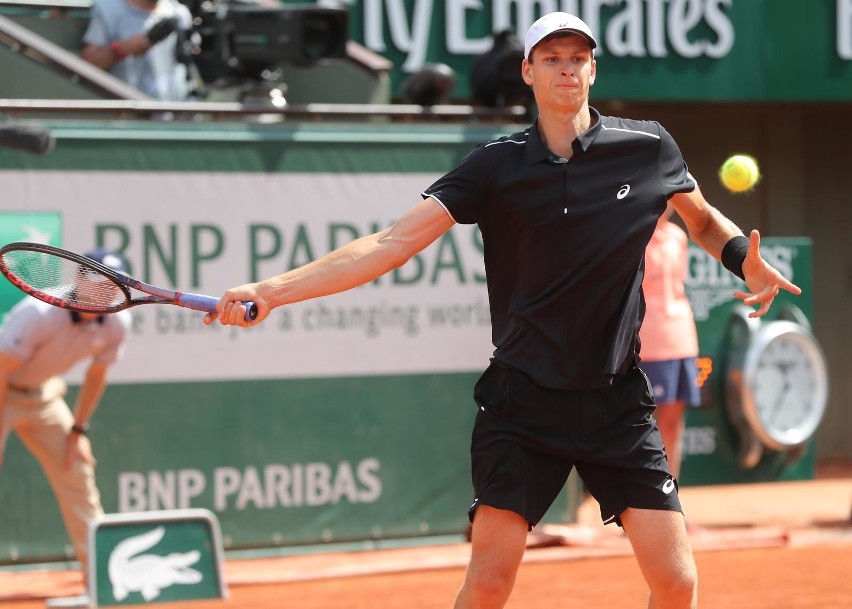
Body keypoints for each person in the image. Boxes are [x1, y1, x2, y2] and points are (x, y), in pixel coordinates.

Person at [203, 12, 801, 608]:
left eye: (577, 59)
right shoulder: (495, 165)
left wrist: (740, 259)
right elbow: (390, 244)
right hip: (523, 405)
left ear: (593, 68)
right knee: (489, 583)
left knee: (676, 582)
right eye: (551, 59)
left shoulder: (647, 147)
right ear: (528, 71)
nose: (566, 69)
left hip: (617, 401)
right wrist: (273, 290)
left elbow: (699, 217)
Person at [0, 249, 132, 580]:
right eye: (98, 282)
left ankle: (102, 580)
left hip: (43, 395)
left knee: (78, 474)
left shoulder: (118, 322)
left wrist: (77, 431)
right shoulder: (39, 313)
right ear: (78, 279)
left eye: (113, 285)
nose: (106, 291)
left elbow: (96, 375)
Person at [639, 204, 701, 481]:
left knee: (673, 421)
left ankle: (671, 499)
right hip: (644, 339)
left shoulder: (678, 237)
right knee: (639, 424)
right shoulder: (632, 236)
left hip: (680, 337)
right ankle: (638, 508)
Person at [81, 0, 194, 101]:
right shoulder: (107, 8)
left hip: (174, 112)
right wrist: (122, 49)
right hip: (128, 113)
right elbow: (86, 66)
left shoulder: (179, 12)